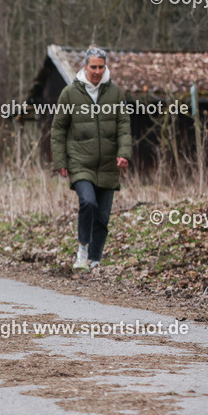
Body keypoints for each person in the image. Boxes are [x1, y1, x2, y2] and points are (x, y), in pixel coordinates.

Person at [51, 47, 131, 270]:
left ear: (105, 67)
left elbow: (124, 126)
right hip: (79, 161)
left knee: (103, 216)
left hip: (107, 163)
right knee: (88, 202)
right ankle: (82, 251)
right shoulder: (70, 93)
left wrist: (124, 153)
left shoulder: (114, 93)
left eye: (101, 67)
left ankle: (95, 260)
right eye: (93, 66)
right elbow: (58, 130)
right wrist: (61, 162)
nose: (97, 71)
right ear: (85, 67)